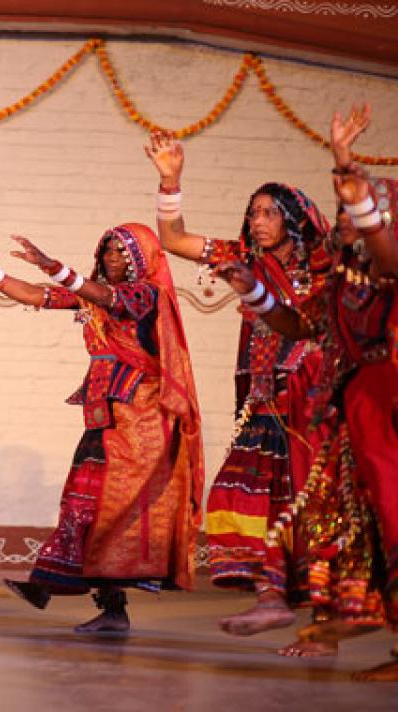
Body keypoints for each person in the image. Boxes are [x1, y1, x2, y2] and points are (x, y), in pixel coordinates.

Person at [0, 224, 204, 632]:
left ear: (141, 258)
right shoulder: (93, 297)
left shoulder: (147, 294)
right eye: (108, 251)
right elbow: (31, 294)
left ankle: (88, 600)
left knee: (109, 513)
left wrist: (50, 264)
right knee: (81, 504)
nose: (113, 258)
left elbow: (108, 297)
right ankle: (74, 594)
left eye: (121, 252)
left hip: (140, 424)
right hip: (103, 419)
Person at [214, 105, 398, 679]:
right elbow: (300, 324)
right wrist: (253, 292)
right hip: (349, 411)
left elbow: (386, 250)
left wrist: (346, 164)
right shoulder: (342, 282)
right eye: (343, 209)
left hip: (388, 401)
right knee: (350, 523)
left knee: (391, 517)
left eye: (358, 211)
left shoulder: (390, 265)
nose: (345, 219)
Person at [145, 134, 330, 641]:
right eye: (253, 213)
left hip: (315, 405)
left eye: (269, 213)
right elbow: (174, 238)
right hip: (263, 403)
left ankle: (322, 628)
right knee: (237, 495)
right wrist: (170, 180)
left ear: (294, 219)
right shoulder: (241, 254)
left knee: (313, 509)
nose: (258, 222)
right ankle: (271, 598)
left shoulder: (323, 266)